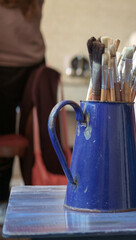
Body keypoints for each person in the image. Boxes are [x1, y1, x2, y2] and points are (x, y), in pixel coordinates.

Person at [0, 0, 45, 203]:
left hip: (16, 66)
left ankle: (3, 195)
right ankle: (34, 192)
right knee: (35, 137)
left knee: (5, 137)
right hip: (33, 65)